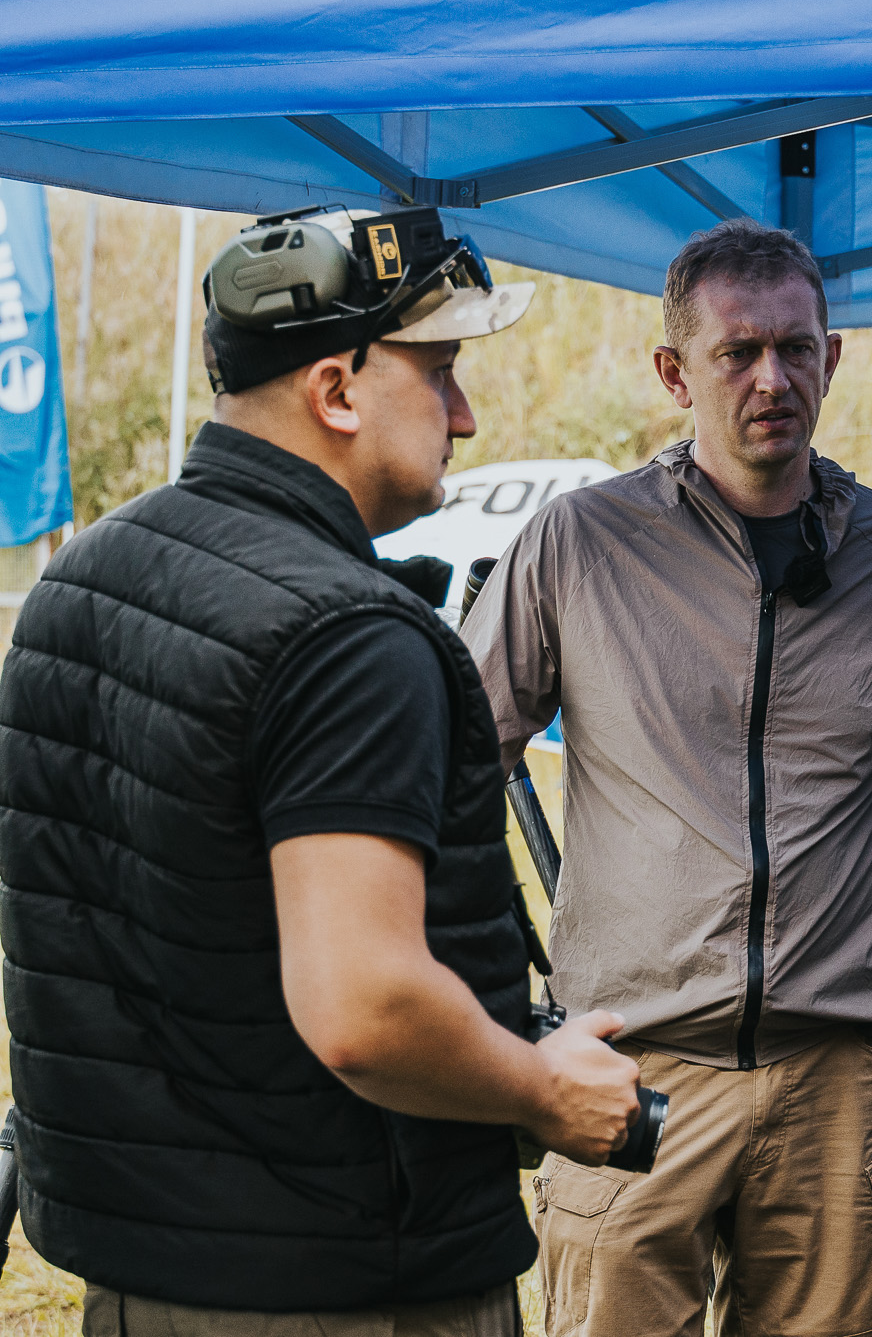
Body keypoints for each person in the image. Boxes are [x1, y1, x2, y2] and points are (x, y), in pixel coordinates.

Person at [0, 206, 644, 1336]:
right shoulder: (346, 634)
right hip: (340, 1289)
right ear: (337, 390)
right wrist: (546, 1091)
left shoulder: (79, 580)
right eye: (439, 372)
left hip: (136, 1277)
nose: (467, 415)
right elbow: (363, 1004)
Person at [462, 216, 872, 1337]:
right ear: (675, 371)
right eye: (736, 353)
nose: (773, 378)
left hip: (832, 1080)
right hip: (631, 1060)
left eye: (796, 348)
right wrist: (476, 1011)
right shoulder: (581, 546)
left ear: (832, 356)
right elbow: (446, 768)